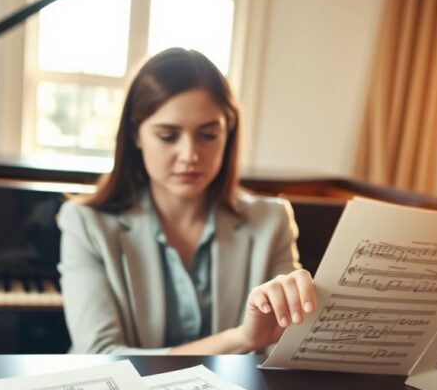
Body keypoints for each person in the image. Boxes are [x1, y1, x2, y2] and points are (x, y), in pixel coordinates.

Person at [57, 48, 315, 354]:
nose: (190, 155)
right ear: (135, 135)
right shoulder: (85, 222)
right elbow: (100, 355)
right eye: (168, 136)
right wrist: (241, 339)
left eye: (208, 135)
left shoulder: (271, 221)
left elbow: (283, 346)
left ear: (228, 132)